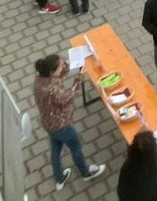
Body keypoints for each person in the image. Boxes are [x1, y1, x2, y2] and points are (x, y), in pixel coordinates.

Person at [33, 54, 105, 191]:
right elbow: (68, 98)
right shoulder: (52, 89)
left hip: (48, 124)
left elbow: (60, 74)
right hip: (62, 126)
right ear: (52, 72)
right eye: (61, 65)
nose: (64, 66)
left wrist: (70, 62)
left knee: (55, 149)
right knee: (76, 148)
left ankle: (59, 178)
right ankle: (86, 172)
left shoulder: (39, 81)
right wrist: (79, 77)